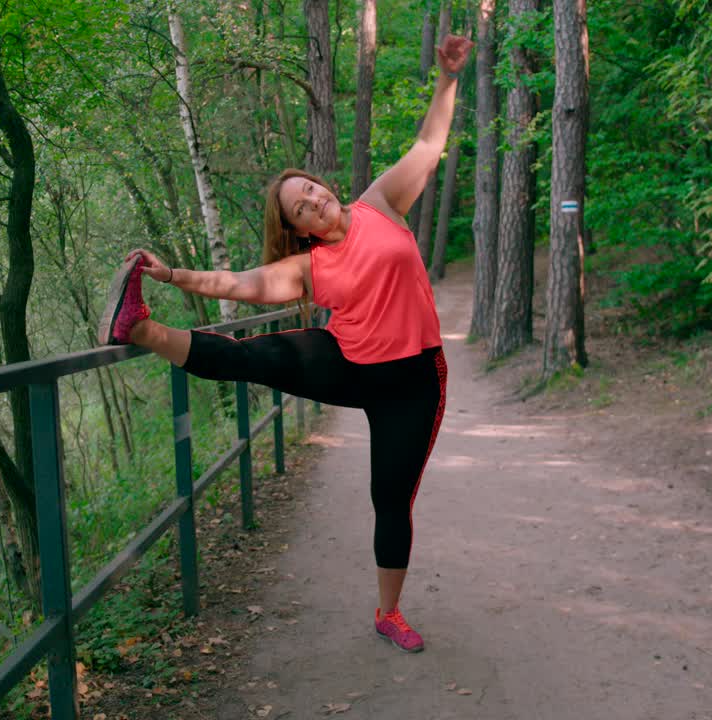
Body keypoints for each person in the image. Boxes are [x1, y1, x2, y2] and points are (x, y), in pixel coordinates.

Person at [97, 33, 475, 653]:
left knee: (391, 499)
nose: (315, 203)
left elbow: (430, 144)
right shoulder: (308, 269)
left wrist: (449, 77)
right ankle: (138, 327)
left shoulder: (381, 203)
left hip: (414, 381)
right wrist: (168, 275)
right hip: (350, 363)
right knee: (256, 357)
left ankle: (388, 612)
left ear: (325, 186)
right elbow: (238, 285)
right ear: (298, 230)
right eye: (302, 208)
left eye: (313, 191)